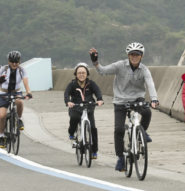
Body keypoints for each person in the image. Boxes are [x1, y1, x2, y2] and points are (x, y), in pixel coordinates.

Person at [89, 43, 158, 172]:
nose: (134, 57)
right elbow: (103, 71)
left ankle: (141, 133)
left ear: (141, 56)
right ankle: (120, 158)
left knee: (147, 112)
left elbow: (150, 84)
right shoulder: (120, 65)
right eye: (132, 54)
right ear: (128, 55)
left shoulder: (144, 69)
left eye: (137, 54)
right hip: (120, 100)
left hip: (137, 98)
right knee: (119, 130)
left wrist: (154, 98)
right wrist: (95, 62)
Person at [64, 62, 105, 159]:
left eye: (83, 72)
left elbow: (97, 91)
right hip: (76, 107)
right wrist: (68, 102)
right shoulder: (72, 84)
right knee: (74, 118)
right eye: (79, 73)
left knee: (93, 128)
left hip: (88, 107)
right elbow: (66, 94)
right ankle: (71, 132)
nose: (81, 75)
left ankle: (94, 151)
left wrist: (99, 99)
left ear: (87, 73)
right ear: (76, 74)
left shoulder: (91, 84)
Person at [0, 51, 33, 148]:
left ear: (19, 61)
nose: (14, 64)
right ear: (8, 61)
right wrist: (0, 81)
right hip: (3, 93)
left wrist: (29, 93)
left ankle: (19, 120)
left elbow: (26, 83)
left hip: (16, 91)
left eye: (16, 61)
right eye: (12, 61)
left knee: (19, 101)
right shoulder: (3, 69)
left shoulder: (22, 70)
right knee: (2, 115)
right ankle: (1, 137)